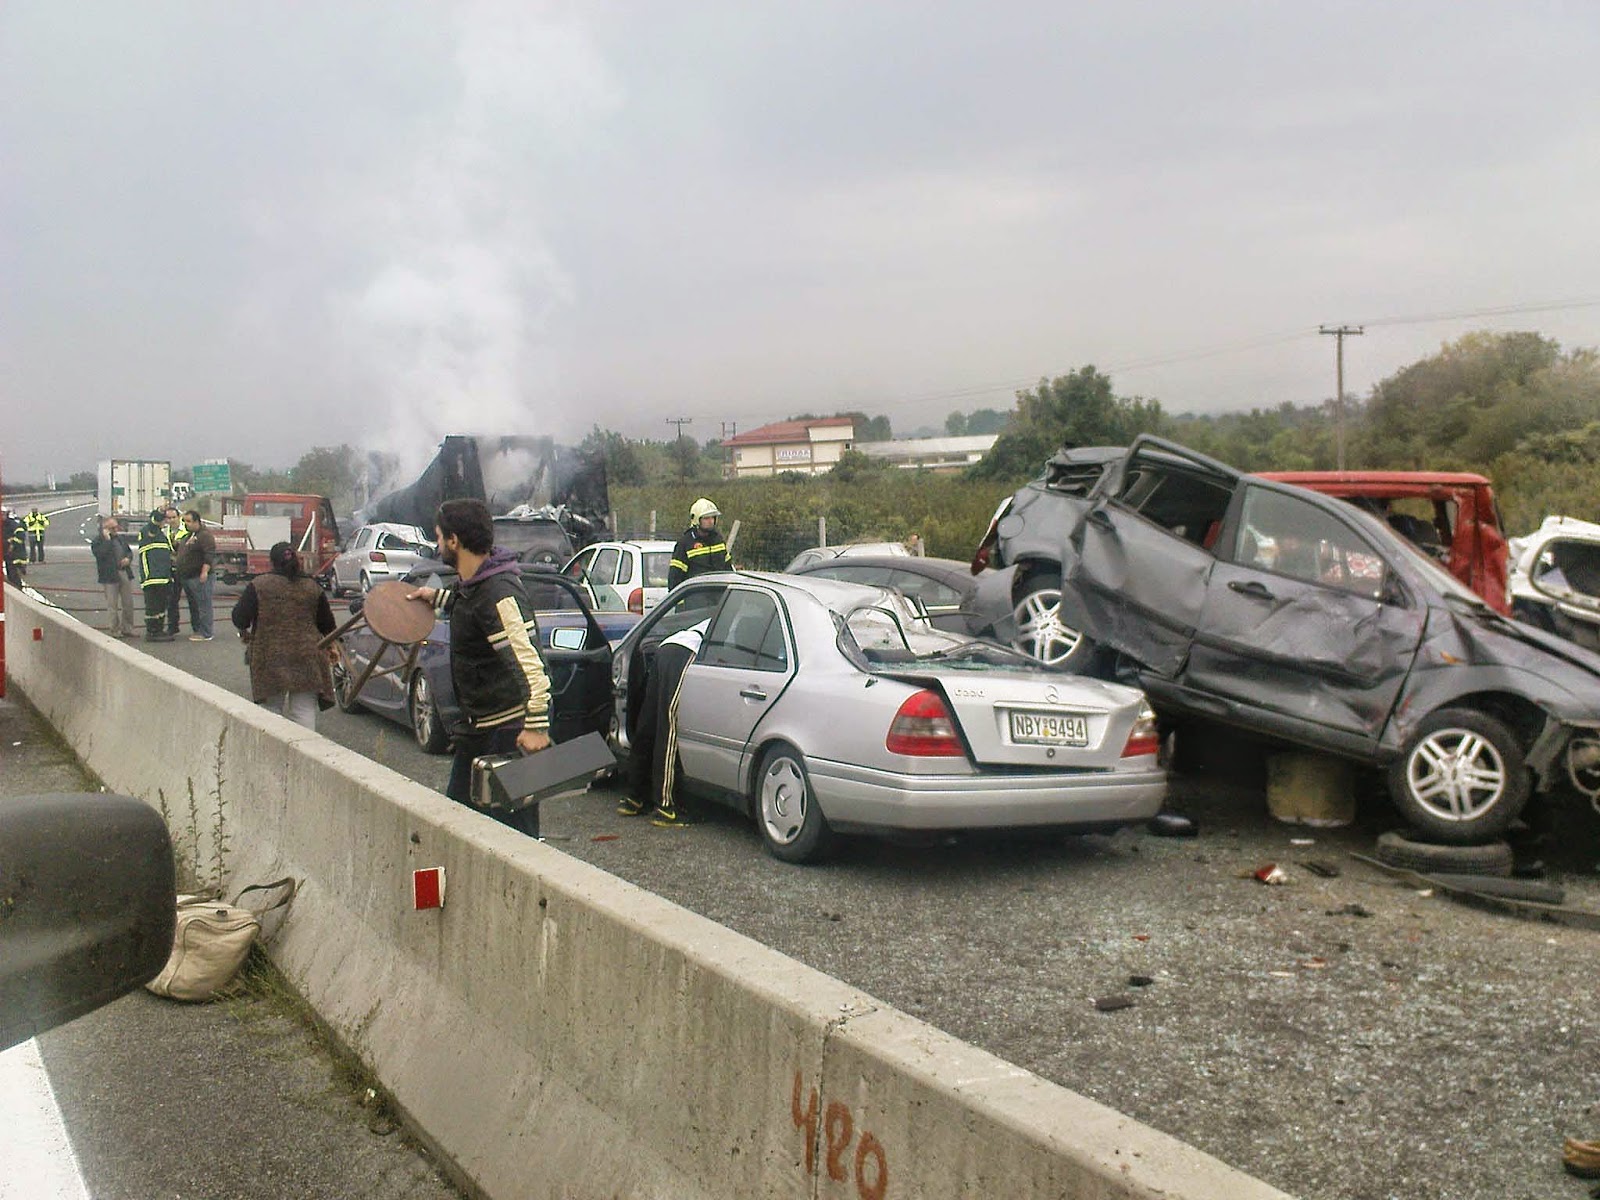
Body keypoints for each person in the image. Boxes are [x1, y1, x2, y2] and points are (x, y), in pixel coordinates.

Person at [407, 498, 552, 836]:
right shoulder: (475, 586)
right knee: (458, 827)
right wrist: (436, 597)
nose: (438, 543)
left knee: (516, 839)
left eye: (440, 536)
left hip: (507, 736)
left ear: (455, 541)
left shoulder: (499, 594)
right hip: (478, 733)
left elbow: (530, 665)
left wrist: (536, 727)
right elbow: (468, 605)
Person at [231, 542, 336, 729]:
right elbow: (327, 624)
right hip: (308, 655)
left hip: (270, 654)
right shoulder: (312, 586)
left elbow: (240, 617)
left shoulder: (260, 585)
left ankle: (273, 753)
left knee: (271, 711)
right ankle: (305, 752)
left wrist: (244, 631)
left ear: (272, 562)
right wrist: (333, 647)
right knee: (303, 712)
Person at [619, 618, 707, 826]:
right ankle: (666, 806)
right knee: (668, 728)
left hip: (666, 646)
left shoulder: (708, 619)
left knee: (648, 723)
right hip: (684, 652)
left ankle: (634, 797)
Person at [173, 510, 218, 641]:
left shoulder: (205, 536)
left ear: (196, 521)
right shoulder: (189, 535)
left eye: (188, 521)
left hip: (199, 576)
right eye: (184, 521)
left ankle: (206, 632)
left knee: (204, 604)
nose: (186, 524)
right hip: (187, 576)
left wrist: (204, 571)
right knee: (194, 605)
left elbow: (209, 554)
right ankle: (197, 629)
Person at [667, 498, 731, 589]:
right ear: (696, 520)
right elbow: (675, 579)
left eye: (713, 517)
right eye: (706, 518)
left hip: (719, 597)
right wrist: (682, 603)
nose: (711, 521)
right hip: (695, 597)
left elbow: (728, 570)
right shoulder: (685, 543)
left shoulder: (718, 540)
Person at [91, 517, 137, 637]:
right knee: (113, 605)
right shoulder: (98, 541)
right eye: (112, 528)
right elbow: (100, 554)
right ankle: (114, 629)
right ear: (105, 529)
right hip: (109, 575)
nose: (116, 530)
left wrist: (128, 558)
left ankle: (127, 628)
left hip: (123, 572)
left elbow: (128, 552)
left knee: (128, 603)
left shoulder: (120, 539)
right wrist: (107, 540)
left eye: (117, 527)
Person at [136, 508, 175, 642]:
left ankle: (159, 629)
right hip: (151, 577)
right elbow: (154, 523)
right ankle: (152, 631)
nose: (164, 522)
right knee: (152, 606)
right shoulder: (148, 531)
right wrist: (160, 513)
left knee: (161, 605)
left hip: (163, 577)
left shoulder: (162, 535)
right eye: (163, 519)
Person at [163, 506, 186, 635]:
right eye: (169, 518)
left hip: (185, 569)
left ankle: (199, 628)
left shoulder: (186, 529)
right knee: (171, 600)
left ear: (179, 517)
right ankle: (173, 627)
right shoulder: (164, 531)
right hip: (171, 570)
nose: (171, 520)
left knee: (194, 600)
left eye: (173, 517)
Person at [3, 510, 26, 586]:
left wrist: (12, 544)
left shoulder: (12, 524)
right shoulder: (4, 524)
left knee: (13, 575)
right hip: (6, 553)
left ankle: (19, 588)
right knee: (10, 573)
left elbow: (20, 536)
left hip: (14, 553)